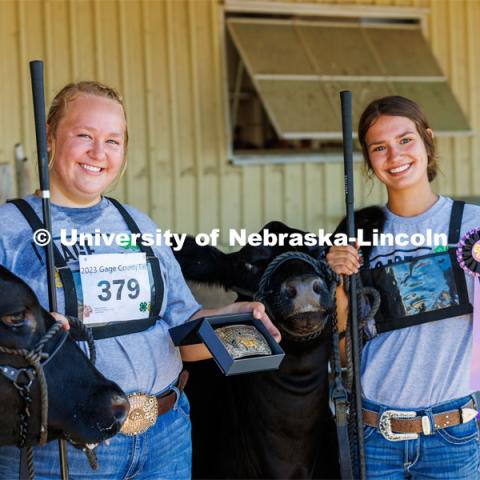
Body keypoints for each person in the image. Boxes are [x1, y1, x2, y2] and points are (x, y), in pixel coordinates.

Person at [0, 81, 280, 479]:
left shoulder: (139, 225)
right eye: (84, 135)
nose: (99, 152)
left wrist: (234, 316)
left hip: (164, 434)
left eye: (113, 140)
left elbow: (180, 328)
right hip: (64, 450)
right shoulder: (8, 231)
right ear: (49, 137)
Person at [327, 95, 480, 479]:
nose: (395, 156)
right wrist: (337, 288)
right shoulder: (358, 235)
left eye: (405, 140)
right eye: (380, 148)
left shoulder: (472, 225)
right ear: (368, 159)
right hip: (373, 436)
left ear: (428, 140)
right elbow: (345, 353)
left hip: (453, 437)